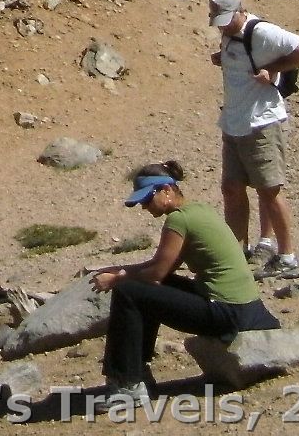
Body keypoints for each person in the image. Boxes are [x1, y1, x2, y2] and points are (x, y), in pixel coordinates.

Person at [88, 163, 279, 406]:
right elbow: (162, 266)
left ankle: (127, 384)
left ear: (166, 190)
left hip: (225, 312)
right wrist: (119, 270)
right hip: (244, 309)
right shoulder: (198, 211)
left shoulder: (179, 220)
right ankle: (138, 375)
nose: (145, 207)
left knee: (128, 292)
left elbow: (155, 273)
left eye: (147, 199)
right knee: (140, 288)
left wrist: (117, 278)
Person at [208, 0, 299, 275]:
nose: (224, 25)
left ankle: (287, 256)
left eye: (227, 19)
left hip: (262, 122)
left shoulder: (263, 31)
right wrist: (224, 57)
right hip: (233, 122)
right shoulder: (230, 34)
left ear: (240, 10)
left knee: (270, 190)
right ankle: (236, 253)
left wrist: (273, 70)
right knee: (231, 188)